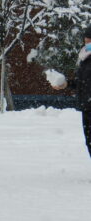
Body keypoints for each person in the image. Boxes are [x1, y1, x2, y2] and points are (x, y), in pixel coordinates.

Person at [52, 24, 91, 158]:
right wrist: (67, 84)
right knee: (89, 142)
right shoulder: (85, 58)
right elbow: (83, 82)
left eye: (90, 41)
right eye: (86, 41)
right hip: (86, 106)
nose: (87, 44)